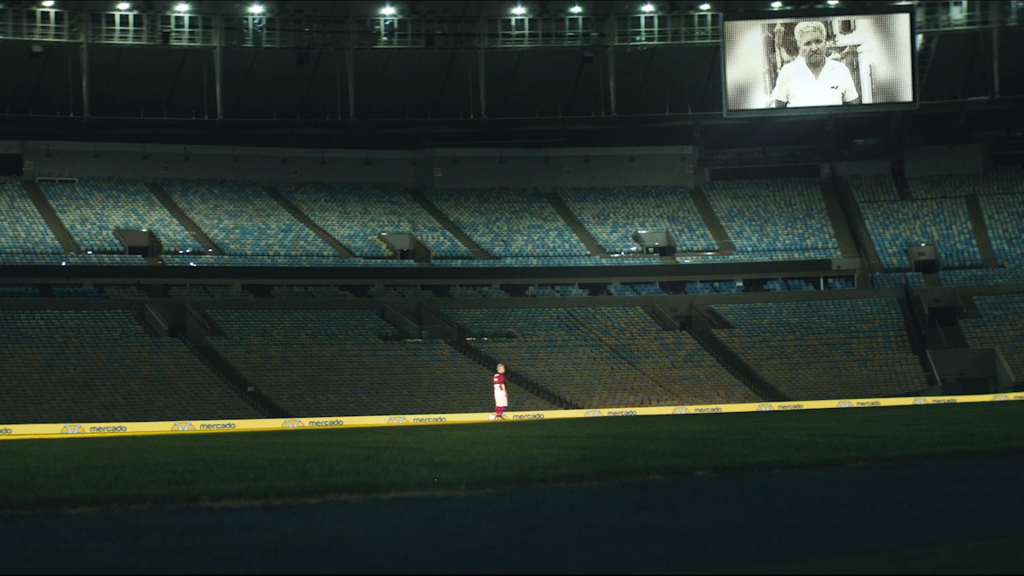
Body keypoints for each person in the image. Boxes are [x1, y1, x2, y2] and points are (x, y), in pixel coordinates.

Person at [771, 21, 859, 108]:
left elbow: (853, 109)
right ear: (799, 48)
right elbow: (779, 111)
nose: (814, 48)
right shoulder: (787, 72)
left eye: (818, 41)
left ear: (825, 43)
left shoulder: (841, 70)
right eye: (808, 43)